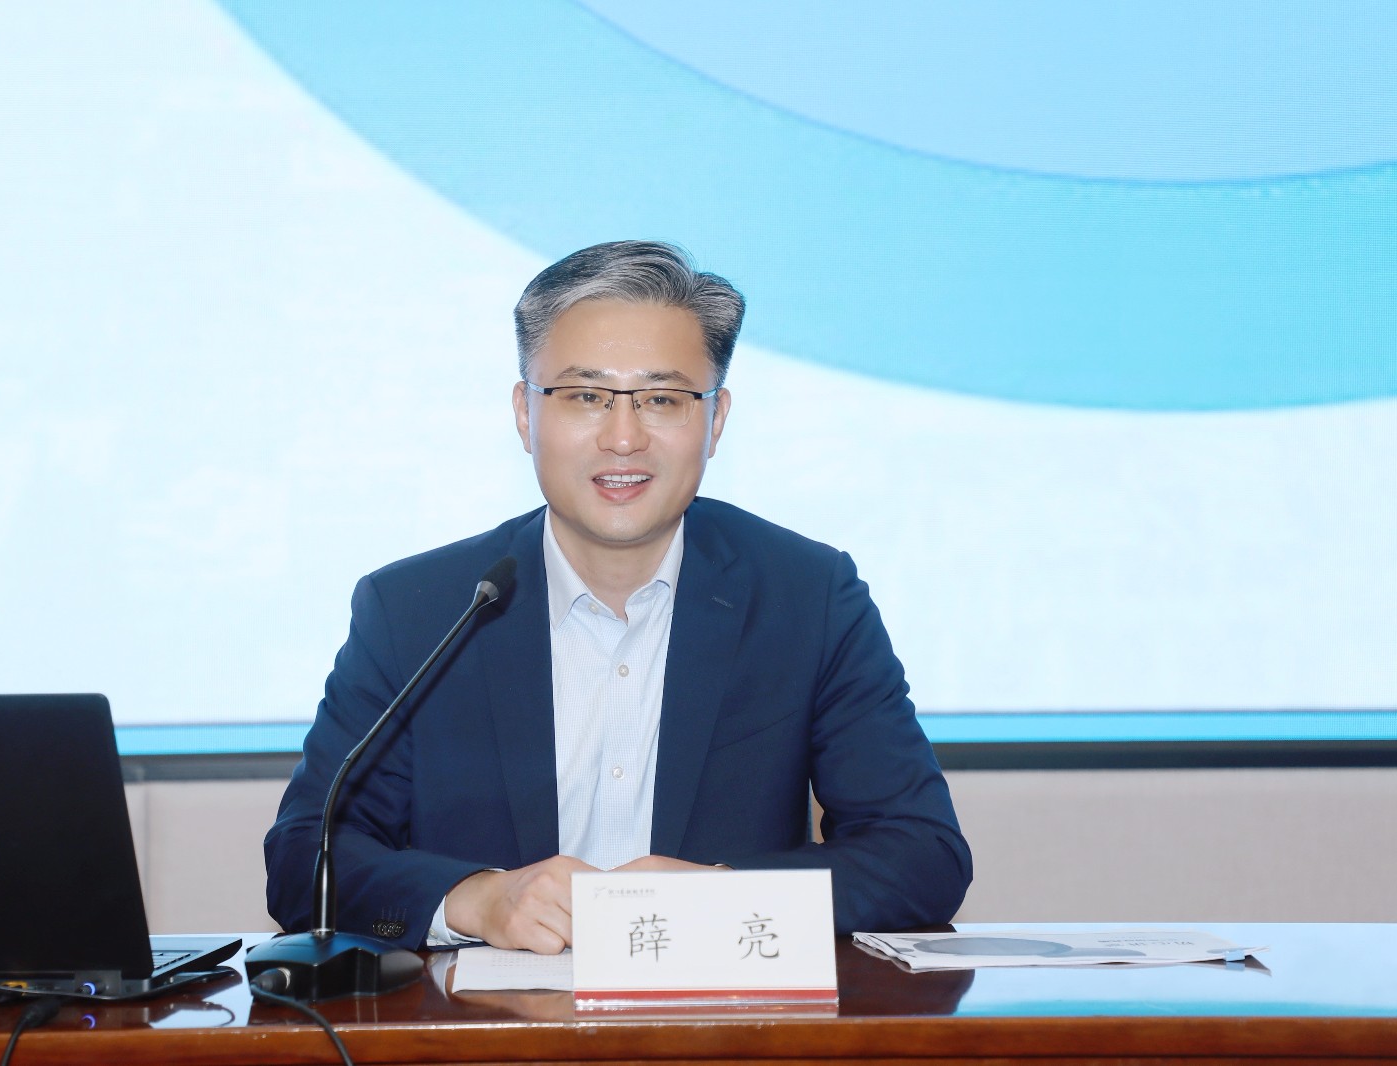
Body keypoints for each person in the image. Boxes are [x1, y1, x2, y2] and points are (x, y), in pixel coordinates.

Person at [265, 240, 970, 953]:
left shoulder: (807, 597)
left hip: (715, 1016)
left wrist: (724, 896)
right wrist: (477, 898)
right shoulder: (417, 609)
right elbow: (304, 859)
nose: (624, 438)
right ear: (525, 414)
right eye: (585, 397)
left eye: (662, 399)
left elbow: (922, 855)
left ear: (716, 420)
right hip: (484, 1020)